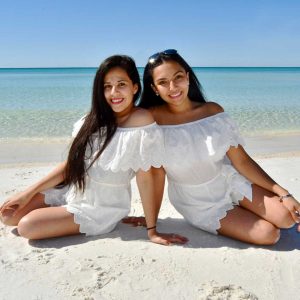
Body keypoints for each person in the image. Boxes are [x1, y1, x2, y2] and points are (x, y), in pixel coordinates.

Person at [0, 54, 187, 246]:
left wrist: (152, 229)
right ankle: (56, 211)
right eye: (107, 86)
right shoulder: (93, 119)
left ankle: (58, 216)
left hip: (100, 205)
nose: (114, 92)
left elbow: (147, 176)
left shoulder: (141, 121)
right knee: (7, 216)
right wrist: (27, 193)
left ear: (135, 88)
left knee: (26, 227)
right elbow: (71, 165)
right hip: (72, 189)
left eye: (121, 84)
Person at [138, 49, 300, 245]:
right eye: (163, 82)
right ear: (155, 88)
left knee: (287, 218)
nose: (173, 87)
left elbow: (242, 161)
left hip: (229, 181)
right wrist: (151, 228)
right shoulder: (151, 121)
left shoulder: (212, 111)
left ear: (187, 77)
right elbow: (153, 175)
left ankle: (250, 208)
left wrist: (284, 194)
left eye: (178, 77)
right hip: (197, 201)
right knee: (269, 235)